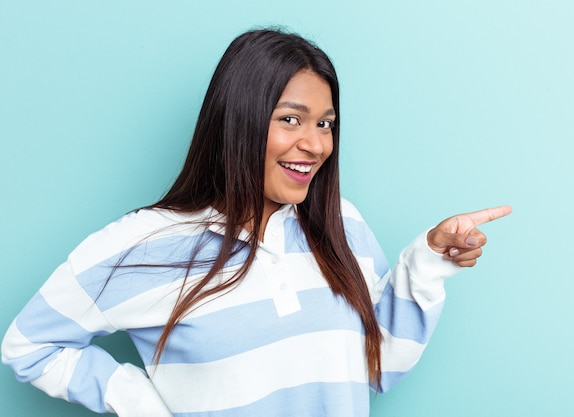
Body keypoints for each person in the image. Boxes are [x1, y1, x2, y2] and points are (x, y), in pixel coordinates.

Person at [1, 28, 511, 417]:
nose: (315, 144)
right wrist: (144, 403)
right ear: (239, 120)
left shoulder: (341, 224)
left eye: (325, 123)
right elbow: (29, 345)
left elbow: (381, 368)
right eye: (290, 118)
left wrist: (427, 262)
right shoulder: (147, 244)